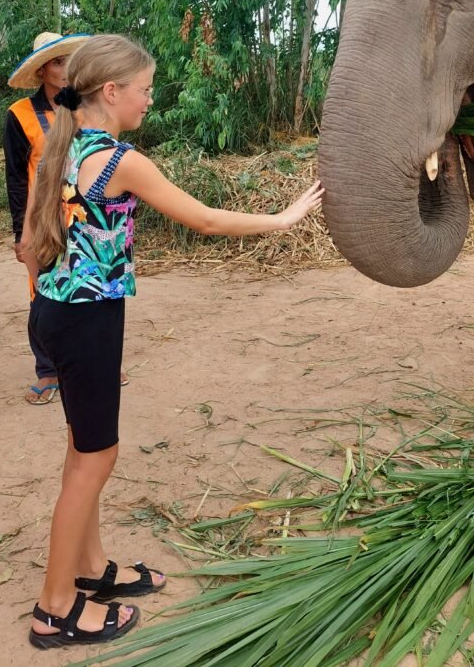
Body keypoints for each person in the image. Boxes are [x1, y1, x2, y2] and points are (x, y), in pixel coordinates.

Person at [20, 34, 324, 648]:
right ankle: (54, 609)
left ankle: (89, 567)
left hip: (55, 312)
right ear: (112, 92)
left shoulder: (61, 145)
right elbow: (205, 219)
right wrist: (285, 218)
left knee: (83, 449)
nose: (150, 99)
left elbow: (29, 242)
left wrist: (57, 291)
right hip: (87, 320)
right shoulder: (118, 159)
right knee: (96, 459)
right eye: (145, 89)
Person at [4, 31, 91, 405]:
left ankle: (93, 362)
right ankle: (48, 369)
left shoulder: (88, 108)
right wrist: (20, 233)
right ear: (41, 70)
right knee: (42, 292)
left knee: (88, 287)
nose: (66, 68)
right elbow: (15, 178)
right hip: (41, 220)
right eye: (58, 62)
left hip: (83, 215)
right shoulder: (20, 115)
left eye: (70, 61)